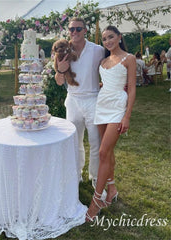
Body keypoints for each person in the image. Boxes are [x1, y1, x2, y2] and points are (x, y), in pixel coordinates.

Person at [85, 26, 136, 222]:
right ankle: (112, 188)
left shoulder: (129, 58)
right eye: (105, 39)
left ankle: (96, 201)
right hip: (102, 105)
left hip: (117, 107)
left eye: (111, 37)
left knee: (103, 152)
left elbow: (131, 89)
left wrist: (127, 117)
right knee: (108, 151)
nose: (108, 41)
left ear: (119, 37)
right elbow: (107, 82)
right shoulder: (103, 61)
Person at [55, 17, 106, 197]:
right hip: (73, 100)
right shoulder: (63, 51)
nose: (74, 32)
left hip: (93, 99)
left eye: (78, 29)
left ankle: (94, 176)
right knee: (74, 141)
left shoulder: (98, 50)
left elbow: (111, 66)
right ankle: (75, 174)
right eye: (71, 29)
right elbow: (60, 81)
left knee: (95, 141)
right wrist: (60, 69)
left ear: (86, 31)